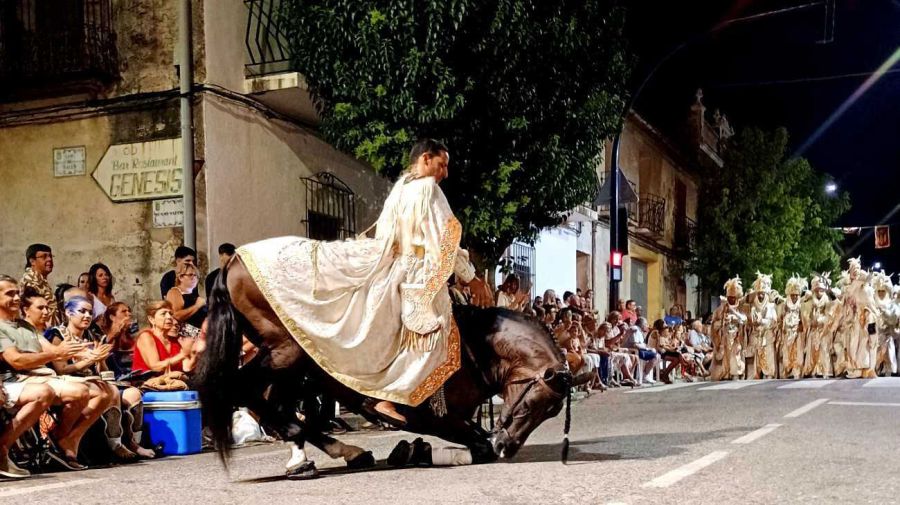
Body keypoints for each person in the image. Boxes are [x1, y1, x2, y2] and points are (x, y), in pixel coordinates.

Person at [235, 139, 492, 424]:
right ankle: (388, 401)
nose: (445, 173)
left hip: (389, 265)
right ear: (426, 159)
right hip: (410, 271)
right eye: (442, 165)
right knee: (436, 334)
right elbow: (445, 238)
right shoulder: (426, 188)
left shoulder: (401, 187)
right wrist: (472, 278)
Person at [0, 275, 102, 471]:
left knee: (92, 391)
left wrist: (90, 355)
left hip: (38, 377)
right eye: (9, 294)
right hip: (15, 380)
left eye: (17, 294)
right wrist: (57, 353)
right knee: (46, 392)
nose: (15, 298)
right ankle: (3, 446)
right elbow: (16, 361)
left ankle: (61, 440)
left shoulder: (25, 326)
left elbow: (56, 352)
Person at [46, 297, 145, 460]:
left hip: (95, 380)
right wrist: (90, 360)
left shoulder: (92, 334)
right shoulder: (58, 334)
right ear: (69, 313)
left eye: (90, 312)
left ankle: (134, 443)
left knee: (133, 393)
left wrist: (100, 360)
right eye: (82, 311)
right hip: (71, 381)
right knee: (110, 391)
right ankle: (115, 445)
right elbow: (61, 369)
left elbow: (102, 370)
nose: (87, 316)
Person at [133, 301, 195, 374]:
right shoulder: (146, 336)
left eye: (170, 314)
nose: (169, 317)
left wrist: (194, 353)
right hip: (148, 382)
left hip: (174, 382)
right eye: (163, 314)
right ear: (151, 319)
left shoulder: (175, 340)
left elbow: (186, 368)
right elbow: (156, 367)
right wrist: (183, 354)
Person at [710, 277, 748, 381]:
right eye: (729, 297)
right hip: (724, 338)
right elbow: (714, 324)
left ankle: (735, 373)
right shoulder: (720, 310)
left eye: (733, 297)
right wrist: (722, 322)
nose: (731, 299)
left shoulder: (741, 308)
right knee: (725, 357)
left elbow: (744, 320)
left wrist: (734, 316)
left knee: (735, 356)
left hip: (736, 337)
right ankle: (726, 373)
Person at [801, 275, 836, 378]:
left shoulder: (827, 300)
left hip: (823, 329)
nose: (818, 291)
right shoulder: (810, 300)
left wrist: (821, 321)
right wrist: (810, 321)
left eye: (820, 289)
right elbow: (805, 313)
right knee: (812, 350)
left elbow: (830, 314)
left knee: (824, 349)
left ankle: (824, 371)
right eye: (816, 289)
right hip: (813, 329)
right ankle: (811, 370)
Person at [746, 273, 778, 380]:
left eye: (762, 294)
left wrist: (762, 321)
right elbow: (750, 321)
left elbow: (773, 321)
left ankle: (769, 374)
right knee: (756, 357)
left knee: (768, 355)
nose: (760, 296)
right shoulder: (753, 307)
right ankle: (756, 374)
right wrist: (754, 322)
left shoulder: (771, 306)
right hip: (756, 336)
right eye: (759, 293)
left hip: (767, 336)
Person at [21, 244, 61, 326]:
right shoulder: (31, 280)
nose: (49, 259)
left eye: (50, 256)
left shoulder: (41, 280)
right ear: (32, 261)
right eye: (44, 257)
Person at [96, 302, 137, 378]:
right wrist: (116, 331)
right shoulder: (103, 337)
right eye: (123, 311)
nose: (129, 314)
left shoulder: (131, 333)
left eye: (129, 311)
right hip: (114, 376)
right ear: (112, 317)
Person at [778, 276, 807, 379]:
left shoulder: (801, 305)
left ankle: (797, 372)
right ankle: (787, 371)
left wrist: (801, 325)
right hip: (787, 333)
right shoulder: (784, 305)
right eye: (792, 295)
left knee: (797, 352)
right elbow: (779, 319)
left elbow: (804, 318)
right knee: (787, 352)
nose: (794, 297)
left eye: (796, 295)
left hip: (798, 334)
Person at [165, 263, 207, 334]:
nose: (194, 278)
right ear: (181, 277)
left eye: (195, 275)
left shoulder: (193, 294)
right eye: (190, 275)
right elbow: (176, 316)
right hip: (187, 337)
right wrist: (197, 306)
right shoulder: (175, 292)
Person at [623, 317, 660, 385]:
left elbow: (641, 344)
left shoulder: (640, 331)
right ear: (642, 325)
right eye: (646, 324)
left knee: (657, 355)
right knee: (655, 355)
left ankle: (645, 374)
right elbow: (635, 345)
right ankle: (645, 375)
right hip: (634, 351)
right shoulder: (635, 329)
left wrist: (648, 348)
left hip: (639, 350)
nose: (647, 326)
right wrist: (647, 349)